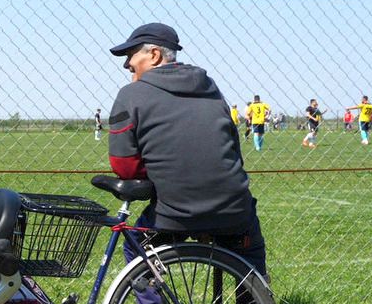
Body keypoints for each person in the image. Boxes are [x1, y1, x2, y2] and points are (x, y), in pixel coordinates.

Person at [107, 23, 266, 278]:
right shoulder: (211, 88)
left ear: (155, 55)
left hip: (172, 214)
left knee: (135, 249)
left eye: (131, 55)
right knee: (250, 259)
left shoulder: (131, 94)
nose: (127, 64)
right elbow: (232, 150)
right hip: (233, 209)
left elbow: (124, 166)